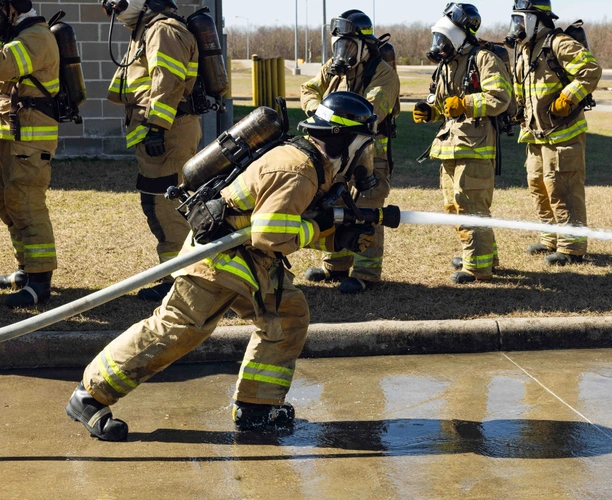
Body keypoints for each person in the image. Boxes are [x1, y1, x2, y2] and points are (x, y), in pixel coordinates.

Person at [65, 92, 380, 441]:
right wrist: (321, 228)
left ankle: (256, 406)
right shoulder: (299, 170)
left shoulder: (313, 166)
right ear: (343, 139)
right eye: (363, 145)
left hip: (249, 261)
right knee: (179, 327)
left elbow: (284, 223)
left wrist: (337, 240)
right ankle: (89, 395)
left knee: (288, 316)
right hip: (219, 258)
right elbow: (272, 234)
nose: (366, 156)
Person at [103, 0, 202, 302]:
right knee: (157, 204)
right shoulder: (146, 30)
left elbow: (168, 81)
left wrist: (157, 127)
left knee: (168, 206)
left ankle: (182, 280)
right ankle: (174, 274)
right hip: (159, 132)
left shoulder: (163, 30)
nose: (114, 8)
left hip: (168, 133)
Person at [300, 9, 400, 294]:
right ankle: (335, 264)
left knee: (367, 207)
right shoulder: (333, 68)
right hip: (334, 153)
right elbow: (308, 89)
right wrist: (313, 108)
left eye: (349, 46)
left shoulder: (384, 75)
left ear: (365, 47)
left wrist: (324, 113)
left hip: (370, 155)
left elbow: (369, 113)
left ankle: (366, 273)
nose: (342, 52)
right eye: (339, 45)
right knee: (334, 205)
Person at [413, 3, 512, 284]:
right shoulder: (448, 65)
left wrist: (465, 103)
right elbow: (443, 105)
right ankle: (483, 256)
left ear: (457, 36)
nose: (439, 46)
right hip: (450, 147)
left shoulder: (484, 59)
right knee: (454, 207)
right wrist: (430, 111)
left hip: (476, 147)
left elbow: (499, 97)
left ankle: (477, 268)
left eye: (443, 39)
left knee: (470, 206)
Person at [507, 0, 602, 265]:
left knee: (563, 188)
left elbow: (591, 70)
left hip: (564, 134)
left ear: (537, 20)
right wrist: (519, 112)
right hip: (536, 134)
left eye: (520, 20)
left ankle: (572, 248)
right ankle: (551, 238)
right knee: (539, 186)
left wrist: (568, 97)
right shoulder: (525, 49)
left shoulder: (559, 43)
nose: (516, 26)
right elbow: (520, 85)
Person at [0, 0, 60, 307]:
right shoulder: (17, 37)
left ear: (12, 7)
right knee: (9, 204)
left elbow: (3, 66)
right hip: (14, 137)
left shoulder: (36, 36)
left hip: (32, 140)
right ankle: (25, 269)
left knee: (26, 202)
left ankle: (40, 282)